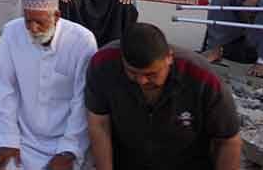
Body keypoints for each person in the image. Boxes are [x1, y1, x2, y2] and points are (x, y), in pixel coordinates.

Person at [86, 22, 241, 170]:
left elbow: (228, 140)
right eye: (133, 72)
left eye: (151, 74)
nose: (142, 81)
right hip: (128, 160)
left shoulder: (202, 79)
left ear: (169, 58)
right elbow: (99, 124)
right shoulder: (103, 64)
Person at [0, 0, 98, 170]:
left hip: (65, 141)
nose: (33, 28)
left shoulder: (82, 41)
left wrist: (69, 151)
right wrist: (8, 139)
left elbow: (81, 101)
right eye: (28, 21)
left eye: (39, 22)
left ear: (56, 16)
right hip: (23, 139)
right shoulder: (11, 33)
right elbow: (5, 90)